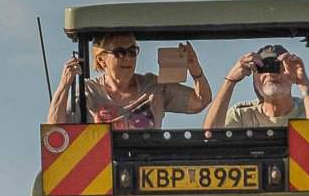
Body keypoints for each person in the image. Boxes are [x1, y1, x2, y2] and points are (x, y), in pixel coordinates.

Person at [46, 33, 211, 128]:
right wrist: (64, 84)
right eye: (119, 52)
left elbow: (200, 101)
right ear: (102, 59)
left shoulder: (153, 86)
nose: (128, 58)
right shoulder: (88, 91)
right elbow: (55, 128)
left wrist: (194, 68)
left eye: (132, 52)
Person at [206, 45, 309, 129]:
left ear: (292, 74)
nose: (270, 73)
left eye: (278, 67)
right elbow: (210, 137)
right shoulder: (242, 115)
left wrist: (303, 83)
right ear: (254, 78)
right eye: (263, 68)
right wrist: (230, 80)